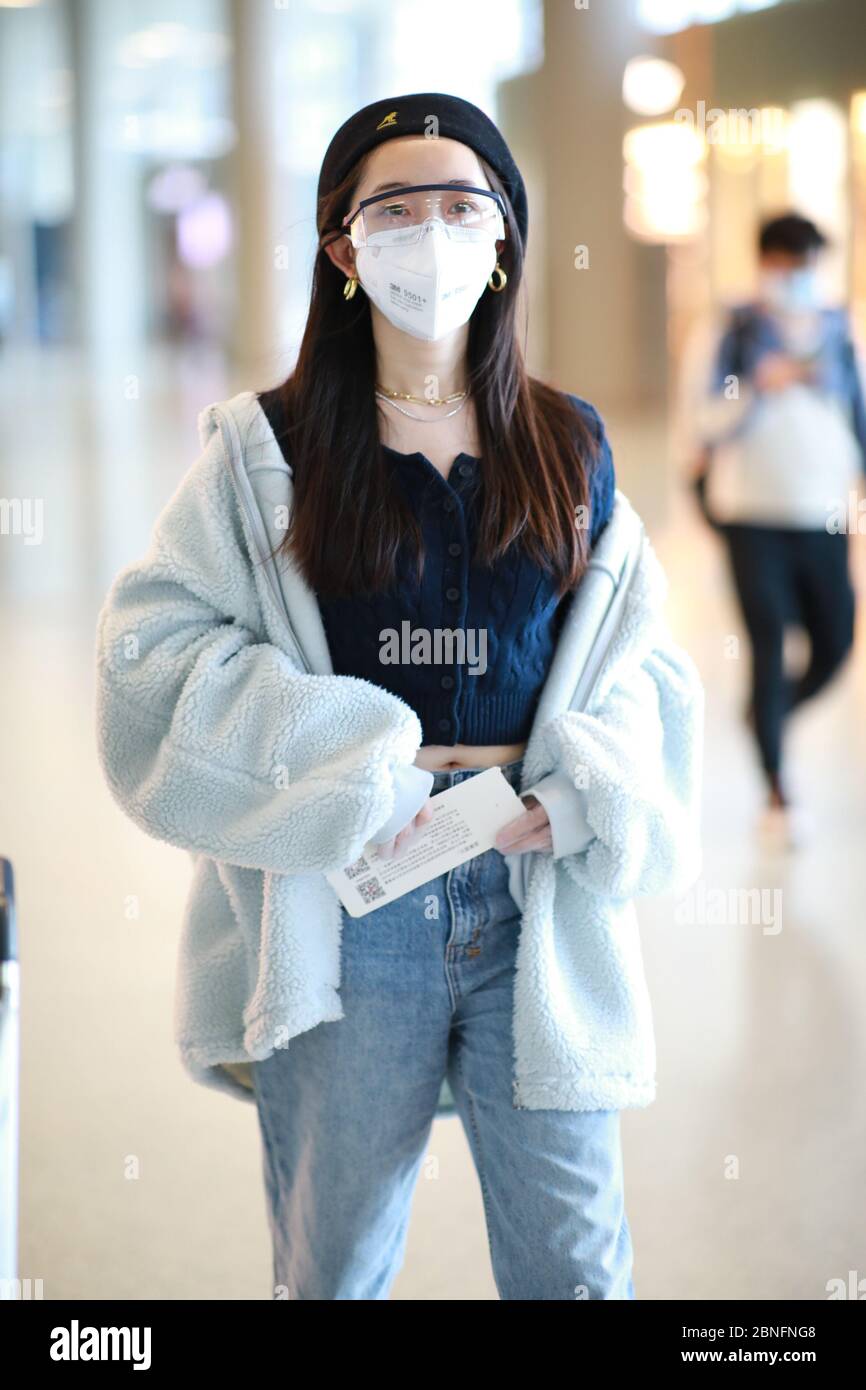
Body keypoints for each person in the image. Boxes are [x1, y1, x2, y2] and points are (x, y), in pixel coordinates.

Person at [95, 92, 704, 1300]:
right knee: (333, 1265)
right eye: (396, 210)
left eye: (461, 207)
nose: (431, 234)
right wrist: (351, 765)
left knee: (574, 1266)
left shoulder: (566, 443)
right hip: (349, 898)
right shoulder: (265, 450)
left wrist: (581, 792)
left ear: (501, 244)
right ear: (343, 248)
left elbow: (640, 667)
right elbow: (148, 651)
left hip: (534, 901)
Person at [679, 212, 866, 846]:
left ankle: (767, 715)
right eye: (786, 265)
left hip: (822, 514)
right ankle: (777, 791)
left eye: (806, 265)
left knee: (836, 641)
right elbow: (700, 418)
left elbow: (857, 416)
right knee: (766, 643)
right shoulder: (731, 331)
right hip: (751, 516)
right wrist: (755, 388)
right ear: (764, 264)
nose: (797, 278)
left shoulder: (841, 332)